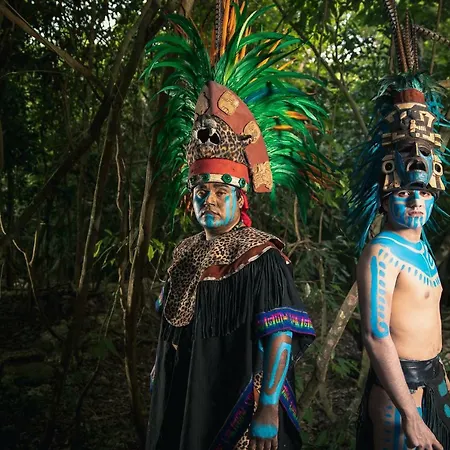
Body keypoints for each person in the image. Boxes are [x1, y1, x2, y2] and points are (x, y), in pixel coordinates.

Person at [143, 2, 331, 449]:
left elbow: (280, 333)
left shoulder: (261, 255)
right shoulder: (185, 252)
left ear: (240, 196)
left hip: (240, 401)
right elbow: (171, 325)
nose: (208, 200)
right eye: (200, 191)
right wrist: (160, 373)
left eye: (219, 191)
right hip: (189, 395)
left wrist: (268, 407)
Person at [349, 4, 450, 449]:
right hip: (400, 394)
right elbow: (376, 335)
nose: (415, 201)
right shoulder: (381, 253)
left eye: (423, 192)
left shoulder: (421, 245)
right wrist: (410, 414)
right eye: (405, 192)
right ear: (386, 193)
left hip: (435, 382)